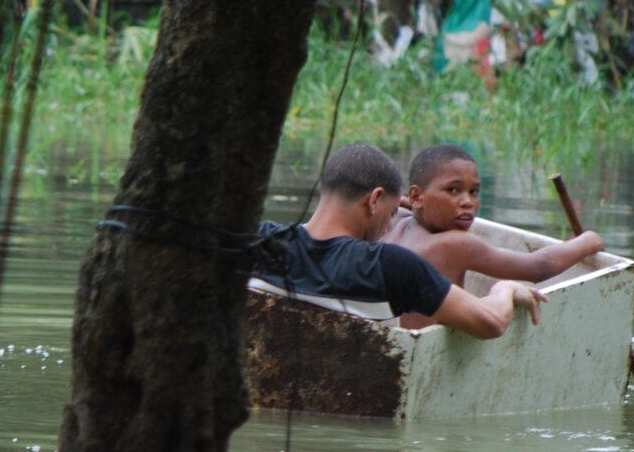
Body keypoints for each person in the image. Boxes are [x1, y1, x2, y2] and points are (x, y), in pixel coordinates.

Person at [250, 143, 547, 339]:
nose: (386, 228)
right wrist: (504, 289)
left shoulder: (259, 240)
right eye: (391, 213)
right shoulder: (392, 267)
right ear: (375, 199)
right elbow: (490, 323)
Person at [382, 144, 604, 329]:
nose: (467, 202)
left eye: (474, 192)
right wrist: (588, 240)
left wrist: (413, 202)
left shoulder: (393, 221)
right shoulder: (455, 244)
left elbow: (394, 202)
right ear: (416, 196)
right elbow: (538, 266)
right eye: (452, 190)